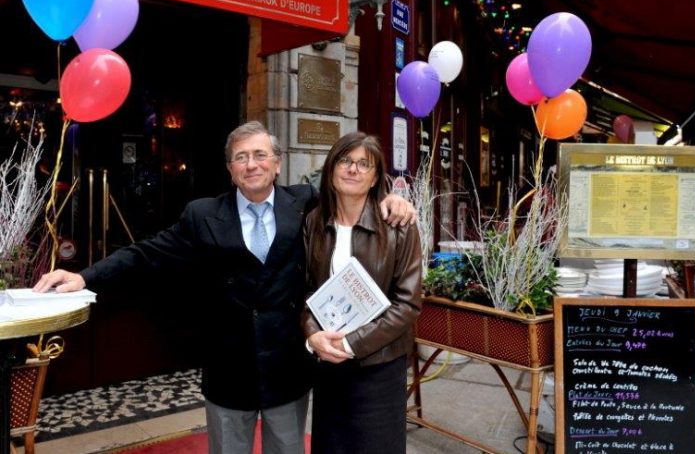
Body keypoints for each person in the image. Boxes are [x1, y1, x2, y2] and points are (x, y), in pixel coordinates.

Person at [33, 121, 415, 454]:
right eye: (241, 157)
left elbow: (352, 193)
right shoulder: (202, 215)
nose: (252, 164)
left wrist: (393, 199)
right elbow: (147, 252)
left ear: (278, 164)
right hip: (229, 370)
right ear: (230, 168)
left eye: (261, 155)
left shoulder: (303, 206)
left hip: (287, 370)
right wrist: (86, 276)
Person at [302, 132, 421, 454]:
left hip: (379, 366)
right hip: (328, 361)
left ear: (374, 178)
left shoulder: (399, 225)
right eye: (345, 161)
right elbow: (307, 291)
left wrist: (353, 343)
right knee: (331, 446)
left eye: (363, 164)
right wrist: (314, 336)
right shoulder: (314, 223)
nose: (353, 169)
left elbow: (408, 303)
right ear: (331, 170)